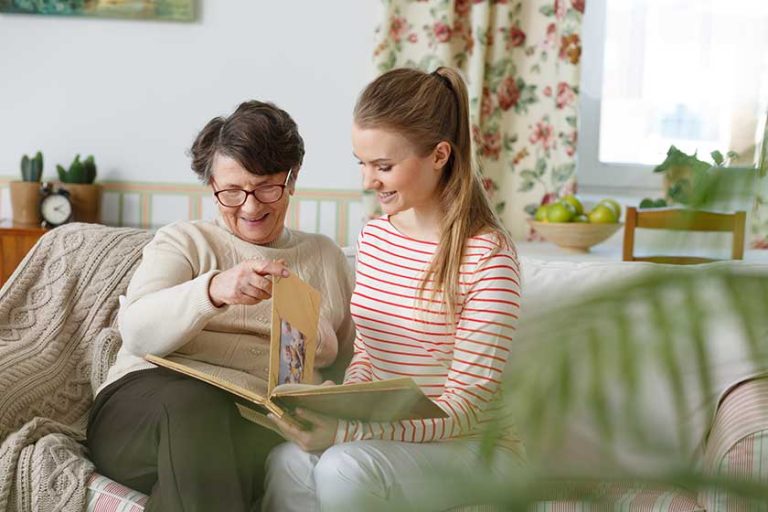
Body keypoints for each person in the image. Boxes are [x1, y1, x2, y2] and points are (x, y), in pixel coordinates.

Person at [263, 67, 524, 511]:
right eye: (362, 163)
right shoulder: (375, 237)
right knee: (286, 460)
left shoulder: (488, 258)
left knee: (344, 466)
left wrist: (347, 434)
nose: (368, 181)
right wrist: (335, 407)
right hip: (388, 439)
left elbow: (464, 409)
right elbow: (368, 353)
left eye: (383, 166)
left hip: (476, 449)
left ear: (440, 155)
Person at [86, 100, 355, 512]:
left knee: (224, 452)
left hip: (253, 428)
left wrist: (333, 403)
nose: (250, 206)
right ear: (211, 185)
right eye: (231, 191)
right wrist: (212, 291)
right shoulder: (185, 241)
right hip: (143, 414)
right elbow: (137, 332)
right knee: (199, 407)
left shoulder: (327, 259)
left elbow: (351, 363)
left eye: (267, 186)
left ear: (292, 178)